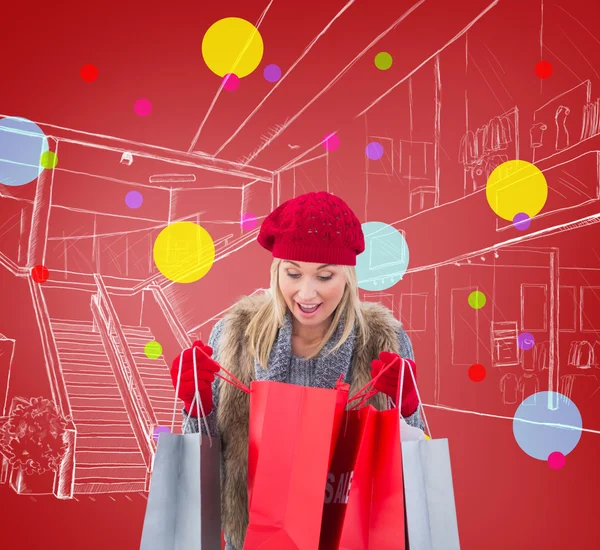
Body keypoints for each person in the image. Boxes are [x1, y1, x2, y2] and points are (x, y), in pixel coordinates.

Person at [170, 191, 424, 550]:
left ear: (348, 276)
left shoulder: (384, 340)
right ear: (277, 271)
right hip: (252, 542)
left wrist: (409, 412)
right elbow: (204, 470)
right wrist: (197, 408)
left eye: (325, 276)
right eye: (293, 273)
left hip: (354, 539)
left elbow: (416, 477)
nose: (307, 293)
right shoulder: (233, 335)